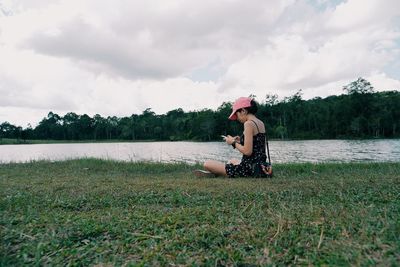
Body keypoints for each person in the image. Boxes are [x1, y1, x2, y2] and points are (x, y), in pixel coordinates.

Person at [194, 97, 272, 178]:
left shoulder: (248, 124)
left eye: (237, 115)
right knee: (232, 160)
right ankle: (217, 172)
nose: (237, 118)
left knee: (207, 164)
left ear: (243, 111)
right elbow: (257, 145)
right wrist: (240, 141)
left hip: (249, 169)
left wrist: (233, 143)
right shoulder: (260, 123)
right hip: (262, 168)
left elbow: (247, 151)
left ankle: (215, 173)